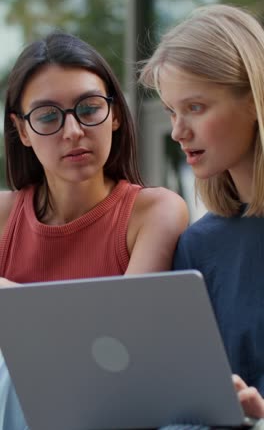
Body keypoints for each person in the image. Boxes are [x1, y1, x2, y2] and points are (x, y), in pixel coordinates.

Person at [0, 30, 188, 429]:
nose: (73, 131)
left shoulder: (154, 212)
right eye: (48, 116)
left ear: (115, 114)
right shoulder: (3, 216)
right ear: (22, 131)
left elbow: (122, 341)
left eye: (88, 108)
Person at [139, 3, 264, 421]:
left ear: (254, 99)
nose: (177, 131)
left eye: (194, 107)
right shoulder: (198, 246)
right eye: (172, 111)